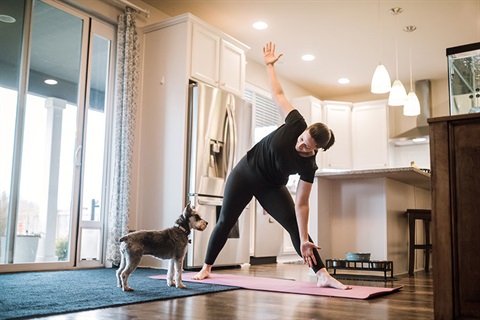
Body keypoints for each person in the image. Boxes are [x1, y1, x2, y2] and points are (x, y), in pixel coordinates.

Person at [192, 42, 350, 290]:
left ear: (316, 150)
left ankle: (322, 274)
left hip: (272, 187)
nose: (301, 146)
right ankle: (206, 267)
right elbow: (278, 94)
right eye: (302, 140)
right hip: (245, 172)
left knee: (296, 229)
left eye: (308, 147)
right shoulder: (296, 121)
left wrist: (305, 236)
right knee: (225, 221)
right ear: (304, 130)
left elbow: (302, 204)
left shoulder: (310, 167)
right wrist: (269, 65)